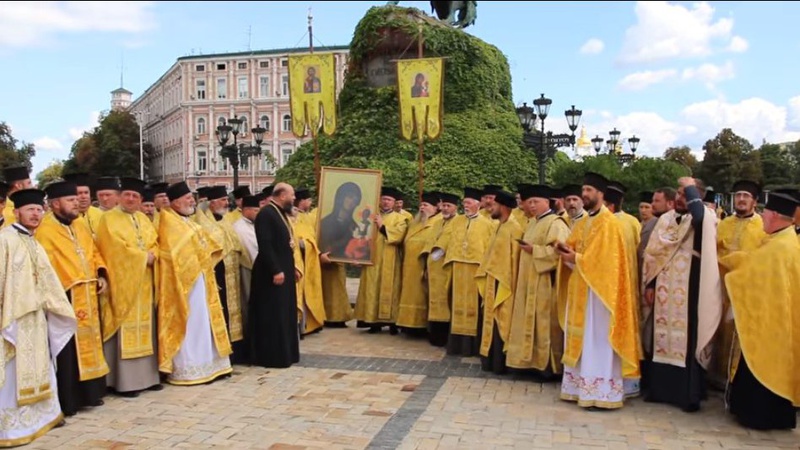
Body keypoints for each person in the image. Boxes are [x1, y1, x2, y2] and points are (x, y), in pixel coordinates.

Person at [556, 172, 641, 410]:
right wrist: (564, 251)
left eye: (589, 191)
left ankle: (602, 393)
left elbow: (607, 262)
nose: (584, 195)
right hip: (581, 288)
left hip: (600, 294)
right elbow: (574, 247)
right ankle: (578, 387)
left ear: (601, 194)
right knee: (583, 338)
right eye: (583, 190)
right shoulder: (582, 222)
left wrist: (577, 258)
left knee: (598, 340)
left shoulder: (609, 223)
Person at [0, 189, 77, 447]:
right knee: (14, 373)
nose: (36, 214)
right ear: (17, 211)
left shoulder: (33, 241)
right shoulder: (5, 239)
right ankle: (13, 427)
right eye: (30, 209)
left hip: (36, 318)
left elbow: (47, 280)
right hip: (14, 318)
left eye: (39, 209)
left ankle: (44, 416)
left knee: (41, 365)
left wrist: (58, 308)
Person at [641, 177, 722, 412]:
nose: (679, 198)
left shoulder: (705, 218)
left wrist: (690, 187)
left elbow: (698, 216)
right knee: (660, 337)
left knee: (686, 340)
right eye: (678, 193)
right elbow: (654, 254)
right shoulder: (665, 219)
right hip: (664, 289)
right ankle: (659, 391)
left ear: (696, 197)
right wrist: (650, 285)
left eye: (685, 194)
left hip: (690, 290)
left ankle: (686, 394)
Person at [723, 192, 800, 430]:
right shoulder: (781, 240)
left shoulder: (781, 247)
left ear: (775, 215)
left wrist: (730, 267)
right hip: (774, 318)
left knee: (764, 366)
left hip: (771, 322)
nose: (762, 217)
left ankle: (760, 415)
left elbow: (752, 273)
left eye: (765, 213)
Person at [36, 181, 109, 416]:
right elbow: (46, 265)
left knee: (91, 342)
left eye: (76, 200)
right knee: (68, 349)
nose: (76, 203)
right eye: (70, 200)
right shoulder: (45, 230)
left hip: (88, 291)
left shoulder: (80, 225)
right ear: (55, 204)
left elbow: (93, 252)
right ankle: (70, 399)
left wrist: (101, 274)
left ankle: (91, 392)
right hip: (65, 295)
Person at [157, 181, 232, 385]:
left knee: (204, 320)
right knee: (191, 323)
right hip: (184, 284)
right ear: (174, 202)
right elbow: (175, 254)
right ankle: (190, 368)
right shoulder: (169, 221)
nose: (192, 201)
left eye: (191, 197)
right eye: (187, 198)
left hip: (201, 279)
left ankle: (210, 363)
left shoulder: (186, 220)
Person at [94, 177, 162, 397]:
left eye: (135, 196)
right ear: (120, 197)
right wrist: (143, 257)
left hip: (144, 282)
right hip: (123, 282)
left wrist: (154, 254)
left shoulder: (143, 219)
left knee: (146, 327)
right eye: (127, 195)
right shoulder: (108, 219)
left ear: (141, 199)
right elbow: (114, 249)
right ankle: (124, 382)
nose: (131, 199)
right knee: (124, 329)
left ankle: (148, 377)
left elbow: (154, 242)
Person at [506, 184, 570, 377]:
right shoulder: (532, 222)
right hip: (528, 280)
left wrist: (535, 250)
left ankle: (547, 367)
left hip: (544, 282)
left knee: (544, 324)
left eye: (536, 202)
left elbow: (560, 253)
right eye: (529, 202)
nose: (532, 206)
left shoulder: (556, 223)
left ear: (546, 202)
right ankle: (529, 362)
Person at [712, 180, 766, 390]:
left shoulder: (762, 227)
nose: (741, 199)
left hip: (746, 291)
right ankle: (715, 376)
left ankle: (734, 378)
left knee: (739, 333)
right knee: (718, 330)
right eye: (738, 195)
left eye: (746, 196)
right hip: (721, 287)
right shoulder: (724, 223)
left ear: (755, 201)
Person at [249, 183, 300, 368]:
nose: (294, 198)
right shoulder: (266, 214)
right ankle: (272, 356)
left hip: (284, 269)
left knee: (284, 313)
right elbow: (266, 244)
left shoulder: (280, 213)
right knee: (273, 314)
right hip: (270, 273)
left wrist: (291, 267)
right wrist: (276, 269)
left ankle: (286, 354)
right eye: (292, 195)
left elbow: (286, 244)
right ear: (282, 196)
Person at [475, 190, 524, 374]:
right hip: (492, 281)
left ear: (503, 206)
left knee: (501, 320)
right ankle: (490, 360)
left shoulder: (514, 229)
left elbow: (514, 260)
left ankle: (500, 363)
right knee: (490, 320)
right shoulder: (498, 226)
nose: (490, 208)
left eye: (493, 205)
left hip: (504, 284)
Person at [444, 187, 495, 356]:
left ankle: (472, 346)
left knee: (475, 306)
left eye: (468, 202)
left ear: (478, 204)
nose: (465, 205)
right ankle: (456, 345)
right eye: (464, 202)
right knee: (456, 304)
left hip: (476, 269)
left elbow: (489, 247)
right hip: (458, 267)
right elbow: (449, 239)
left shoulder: (487, 224)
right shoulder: (457, 221)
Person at [354, 187, 408, 334]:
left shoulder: (401, 219)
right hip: (372, 259)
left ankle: (392, 323)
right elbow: (360, 236)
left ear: (395, 202)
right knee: (371, 289)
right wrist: (358, 255)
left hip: (391, 259)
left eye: (389, 200)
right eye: (384, 199)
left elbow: (398, 236)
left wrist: (381, 225)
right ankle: (373, 322)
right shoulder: (369, 216)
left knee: (392, 290)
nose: (386, 202)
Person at [396, 192, 442, 334]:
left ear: (435, 208)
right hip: (409, 266)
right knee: (409, 294)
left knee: (421, 296)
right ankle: (406, 324)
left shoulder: (438, 223)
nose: (422, 208)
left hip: (424, 265)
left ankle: (420, 325)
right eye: (421, 205)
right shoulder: (415, 222)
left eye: (426, 205)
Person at [425, 192, 460, 347]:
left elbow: (451, 241)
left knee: (445, 302)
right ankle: (434, 334)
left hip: (446, 268)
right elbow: (430, 240)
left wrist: (436, 254)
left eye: (448, 206)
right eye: (443, 205)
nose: (445, 209)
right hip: (433, 268)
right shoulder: (438, 222)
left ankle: (443, 337)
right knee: (434, 301)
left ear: (455, 207)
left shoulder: (459, 222)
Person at [319, 182, 363, 260]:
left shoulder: (354, 227)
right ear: (341, 198)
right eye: (350, 197)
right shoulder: (325, 222)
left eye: (355, 200)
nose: (352, 202)